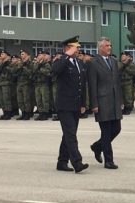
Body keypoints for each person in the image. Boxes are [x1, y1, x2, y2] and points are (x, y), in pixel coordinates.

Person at [52, 35, 88, 173]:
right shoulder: (61, 60)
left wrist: (83, 103)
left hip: (75, 105)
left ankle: (62, 162)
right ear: (68, 48)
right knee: (71, 135)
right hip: (64, 105)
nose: (78, 49)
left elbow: (81, 85)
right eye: (75, 47)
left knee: (68, 135)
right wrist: (66, 55)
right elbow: (55, 71)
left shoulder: (79, 63)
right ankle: (77, 162)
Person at [88, 37, 122, 170]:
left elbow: (117, 83)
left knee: (117, 129)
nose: (109, 47)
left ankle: (97, 146)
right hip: (102, 102)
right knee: (106, 132)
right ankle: (109, 161)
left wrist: (120, 101)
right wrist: (94, 104)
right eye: (107, 45)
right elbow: (92, 85)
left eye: (110, 45)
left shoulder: (113, 61)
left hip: (114, 101)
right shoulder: (93, 62)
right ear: (100, 47)